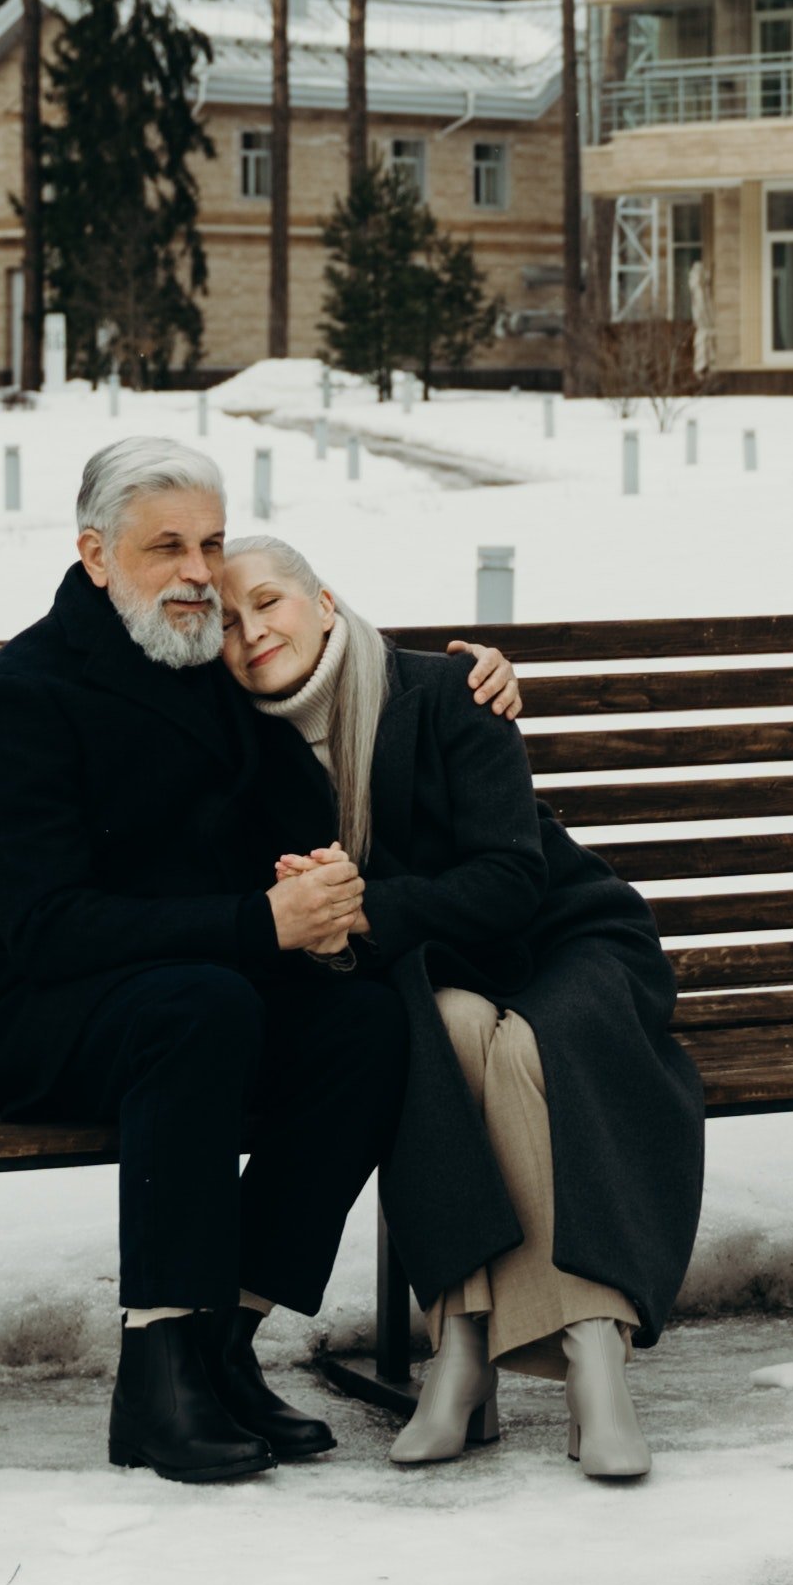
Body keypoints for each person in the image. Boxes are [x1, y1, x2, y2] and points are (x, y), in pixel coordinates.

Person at [0, 436, 414, 1485]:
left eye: (209, 541)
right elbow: (48, 928)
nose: (201, 571)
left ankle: (223, 1346)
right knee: (200, 1004)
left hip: (202, 998)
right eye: (167, 546)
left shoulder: (199, 659)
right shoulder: (27, 694)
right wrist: (261, 921)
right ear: (96, 553)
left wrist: (318, 882)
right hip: (41, 1014)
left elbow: (310, 751)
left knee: (364, 1024)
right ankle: (155, 1371)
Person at [220, 534, 705, 1484]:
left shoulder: (444, 692)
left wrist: (357, 911)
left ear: (324, 600)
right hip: (431, 973)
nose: (252, 631)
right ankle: (466, 1349)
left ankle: (589, 1354)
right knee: (444, 1033)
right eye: (230, 623)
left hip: (563, 941)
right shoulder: (242, 750)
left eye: (269, 601)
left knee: (525, 1046)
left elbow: (513, 880)